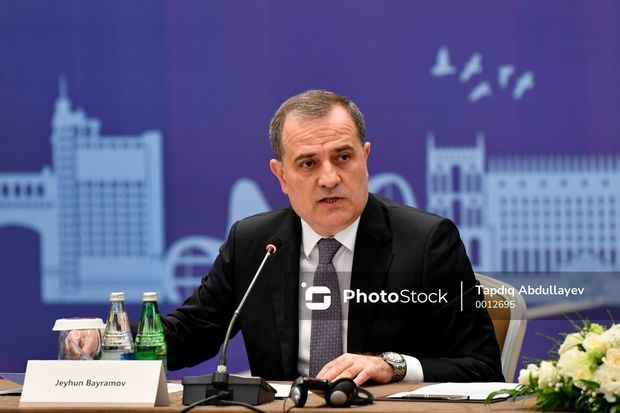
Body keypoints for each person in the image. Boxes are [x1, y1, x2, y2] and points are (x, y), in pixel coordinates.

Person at [161, 90, 504, 385]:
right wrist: (125, 337)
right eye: (308, 164)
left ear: (365, 159)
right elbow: (187, 337)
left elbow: (483, 368)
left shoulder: (426, 243)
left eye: (343, 157)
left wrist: (392, 366)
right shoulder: (254, 244)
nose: (329, 178)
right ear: (281, 176)